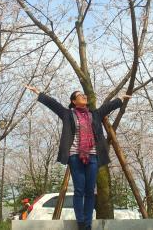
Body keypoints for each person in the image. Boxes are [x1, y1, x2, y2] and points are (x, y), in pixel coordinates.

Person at [25, 85, 130, 230]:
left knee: (90, 191)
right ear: (73, 101)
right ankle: (81, 222)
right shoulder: (67, 114)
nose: (84, 96)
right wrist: (38, 93)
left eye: (84, 95)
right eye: (80, 95)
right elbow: (53, 104)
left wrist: (120, 99)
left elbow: (107, 107)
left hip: (92, 156)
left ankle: (87, 223)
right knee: (79, 190)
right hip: (75, 156)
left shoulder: (94, 114)